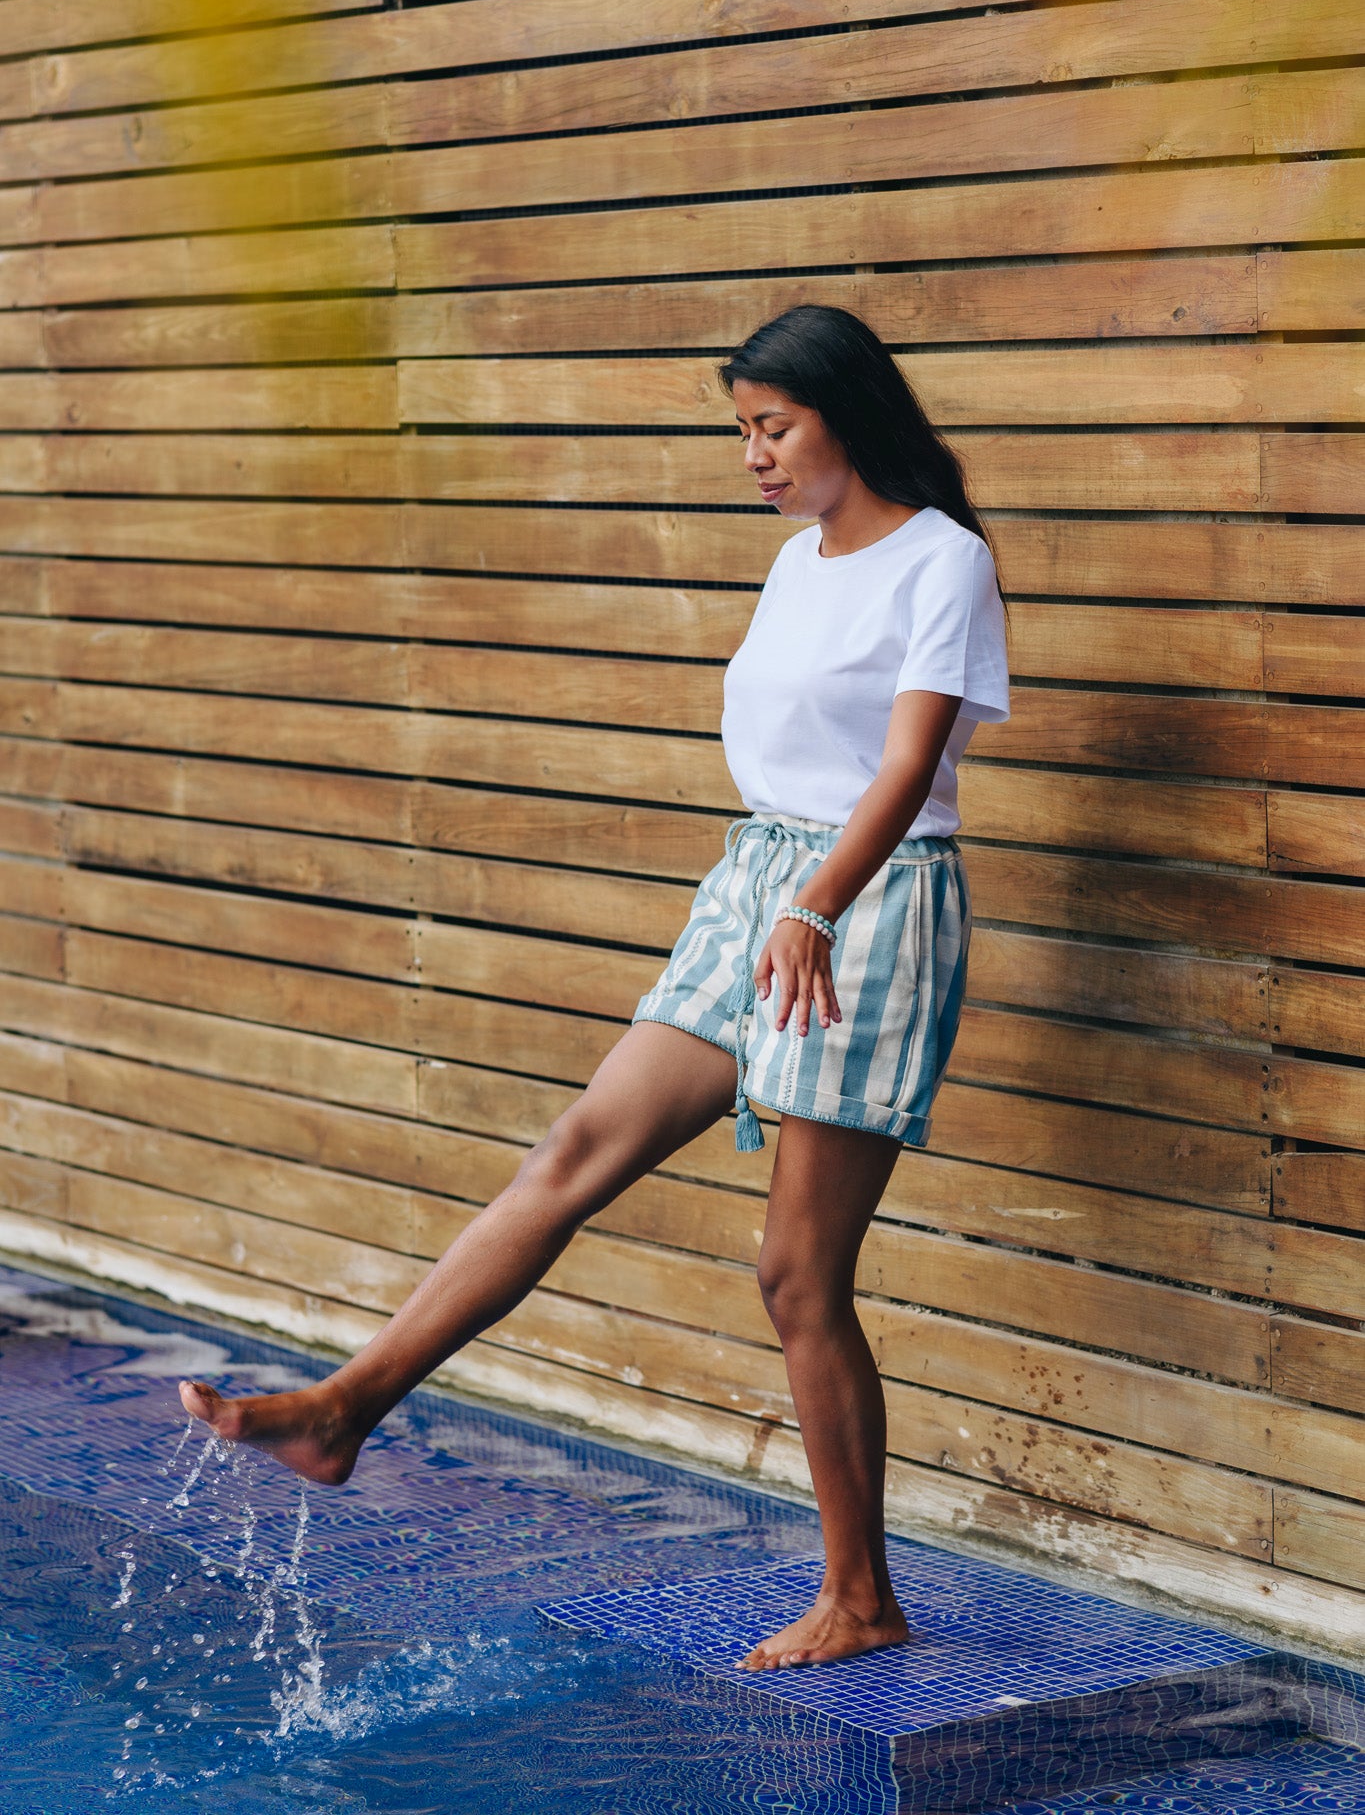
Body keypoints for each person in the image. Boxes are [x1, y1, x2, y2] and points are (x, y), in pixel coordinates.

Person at [179, 304, 1009, 1671]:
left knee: (797, 1275)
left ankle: (859, 1598)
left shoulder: (942, 562)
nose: (752, 453)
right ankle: (347, 1407)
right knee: (571, 1152)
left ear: (844, 416)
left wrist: (812, 909)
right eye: (740, 429)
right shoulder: (800, 564)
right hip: (755, 887)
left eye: (772, 425)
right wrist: (776, 899)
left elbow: (906, 770)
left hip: (868, 909)